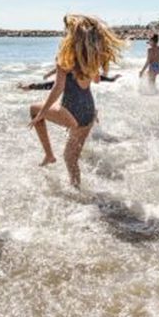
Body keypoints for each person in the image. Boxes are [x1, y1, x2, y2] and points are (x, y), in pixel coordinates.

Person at [29, 14, 124, 188]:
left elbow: (57, 89)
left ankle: (49, 155)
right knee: (71, 158)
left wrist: (41, 114)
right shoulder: (93, 57)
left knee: (34, 109)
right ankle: (77, 190)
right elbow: (95, 80)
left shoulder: (64, 58)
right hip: (88, 111)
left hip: (71, 111)